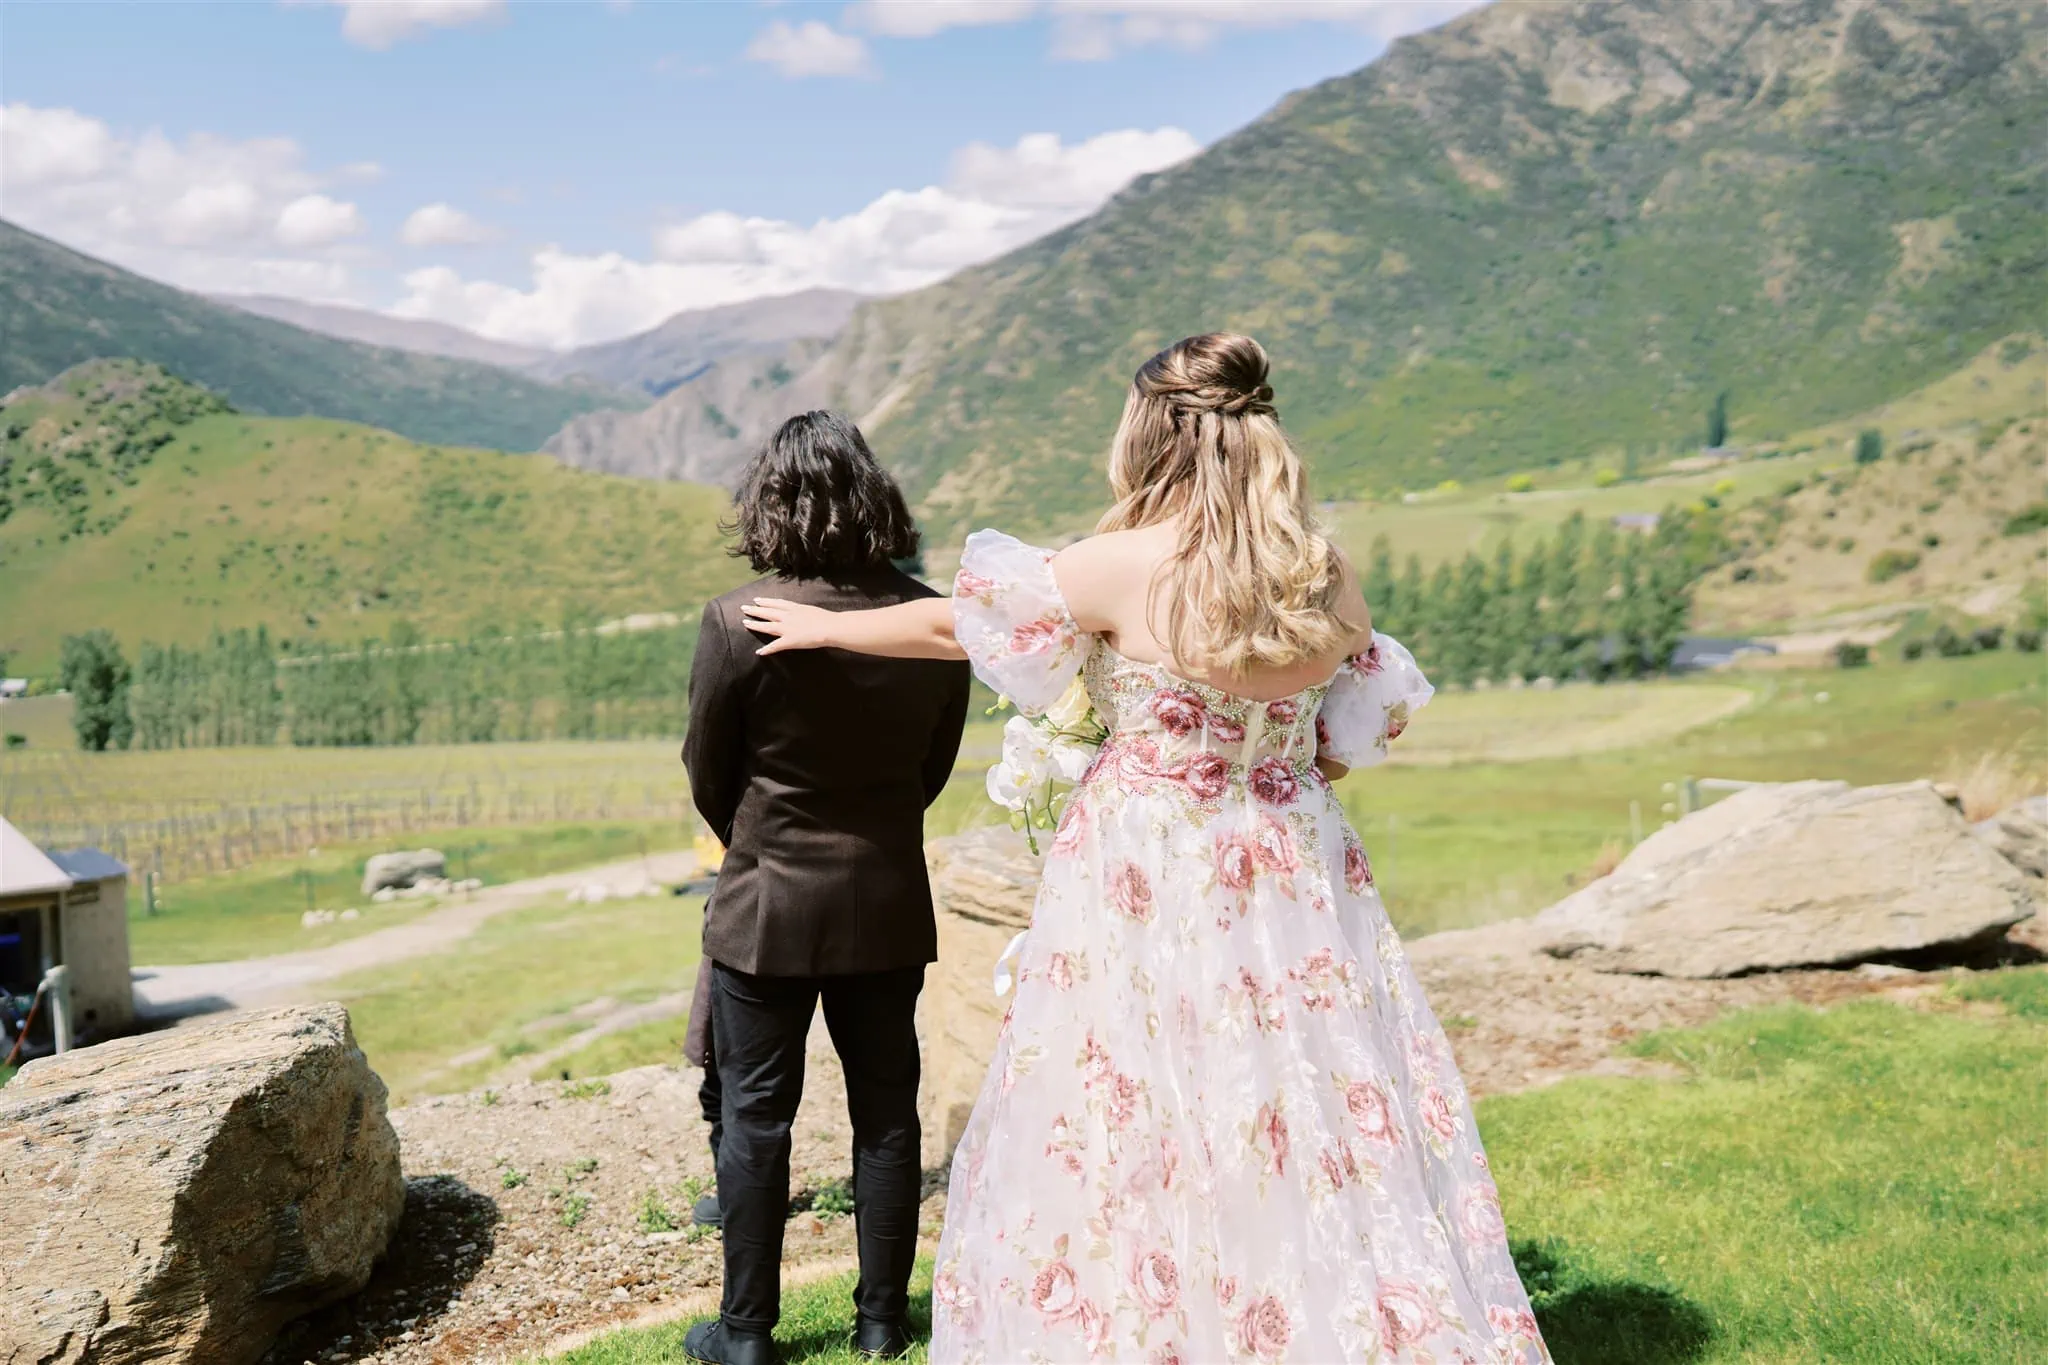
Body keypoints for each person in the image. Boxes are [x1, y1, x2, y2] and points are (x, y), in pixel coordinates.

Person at [743, 335, 1551, 1363]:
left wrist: (826, 631)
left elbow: (960, 630)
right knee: (1306, 1097)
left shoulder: (1122, 563)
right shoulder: (1319, 569)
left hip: (1148, 872)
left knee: (1136, 1101)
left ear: (1152, 435)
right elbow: (1347, 738)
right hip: (1294, 868)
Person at [682, 410, 972, 1365]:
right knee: (887, 1110)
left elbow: (708, 771)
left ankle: (747, 1335)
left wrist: (760, 842)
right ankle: (882, 1324)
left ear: (769, 501)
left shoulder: (739, 619)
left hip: (766, 902)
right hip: (888, 897)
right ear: (876, 495)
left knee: (757, 1117)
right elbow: (934, 769)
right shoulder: (936, 619)